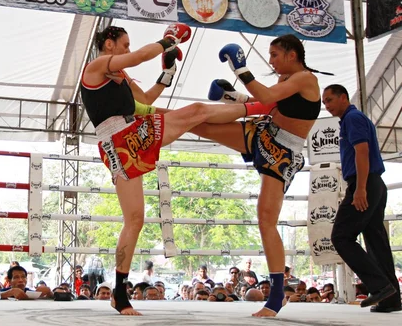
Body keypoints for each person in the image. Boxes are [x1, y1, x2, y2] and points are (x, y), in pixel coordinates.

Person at [81, 22, 225, 315]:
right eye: (125, 43)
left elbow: (144, 101)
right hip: (116, 142)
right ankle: (120, 295)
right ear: (109, 43)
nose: (128, 49)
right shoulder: (96, 67)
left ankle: (254, 111)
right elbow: (137, 57)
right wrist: (168, 39)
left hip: (133, 135)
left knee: (136, 219)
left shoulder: (121, 75)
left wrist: (167, 72)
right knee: (132, 219)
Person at [193, 34, 328, 316]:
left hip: (283, 153)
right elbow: (268, 105)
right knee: (199, 123)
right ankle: (148, 116)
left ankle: (276, 297)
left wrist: (240, 69)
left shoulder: (305, 79)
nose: (271, 60)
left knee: (266, 220)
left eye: (275, 54)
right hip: (264, 133)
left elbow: (266, 97)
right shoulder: (285, 81)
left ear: (292, 55)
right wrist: (233, 96)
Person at [322, 84, 402, 313]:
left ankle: (379, 287)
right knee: (375, 239)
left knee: (341, 236)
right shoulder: (355, 118)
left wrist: (360, 189)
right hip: (374, 182)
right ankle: (391, 298)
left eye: (329, 100)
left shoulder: (353, 118)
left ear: (343, 98)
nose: (326, 106)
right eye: (324, 102)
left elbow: (362, 151)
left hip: (364, 182)